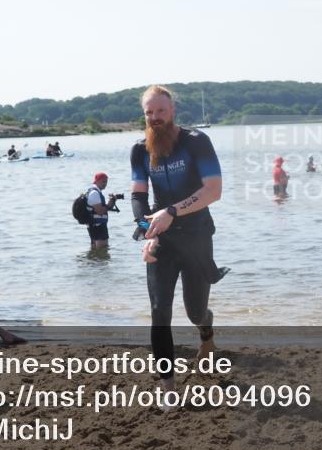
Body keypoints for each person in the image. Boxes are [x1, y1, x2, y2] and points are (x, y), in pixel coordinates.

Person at [131, 85, 226, 393]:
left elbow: (213, 190)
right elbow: (138, 195)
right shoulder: (139, 149)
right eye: (149, 112)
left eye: (161, 111)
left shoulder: (196, 142)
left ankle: (206, 333)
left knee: (194, 310)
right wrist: (147, 230)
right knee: (160, 311)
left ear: (172, 111)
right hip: (163, 240)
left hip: (197, 236)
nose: (155, 118)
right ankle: (168, 385)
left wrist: (172, 211)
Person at [85, 172, 119, 248]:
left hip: (94, 225)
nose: (105, 184)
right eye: (103, 181)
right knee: (103, 250)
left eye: (106, 182)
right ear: (96, 181)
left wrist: (112, 202)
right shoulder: (94, 193)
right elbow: (100, 211)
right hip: (98, 226)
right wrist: (109, 204)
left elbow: (102, 209)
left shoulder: (94, 192)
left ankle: (93, 259)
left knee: (95, 250)